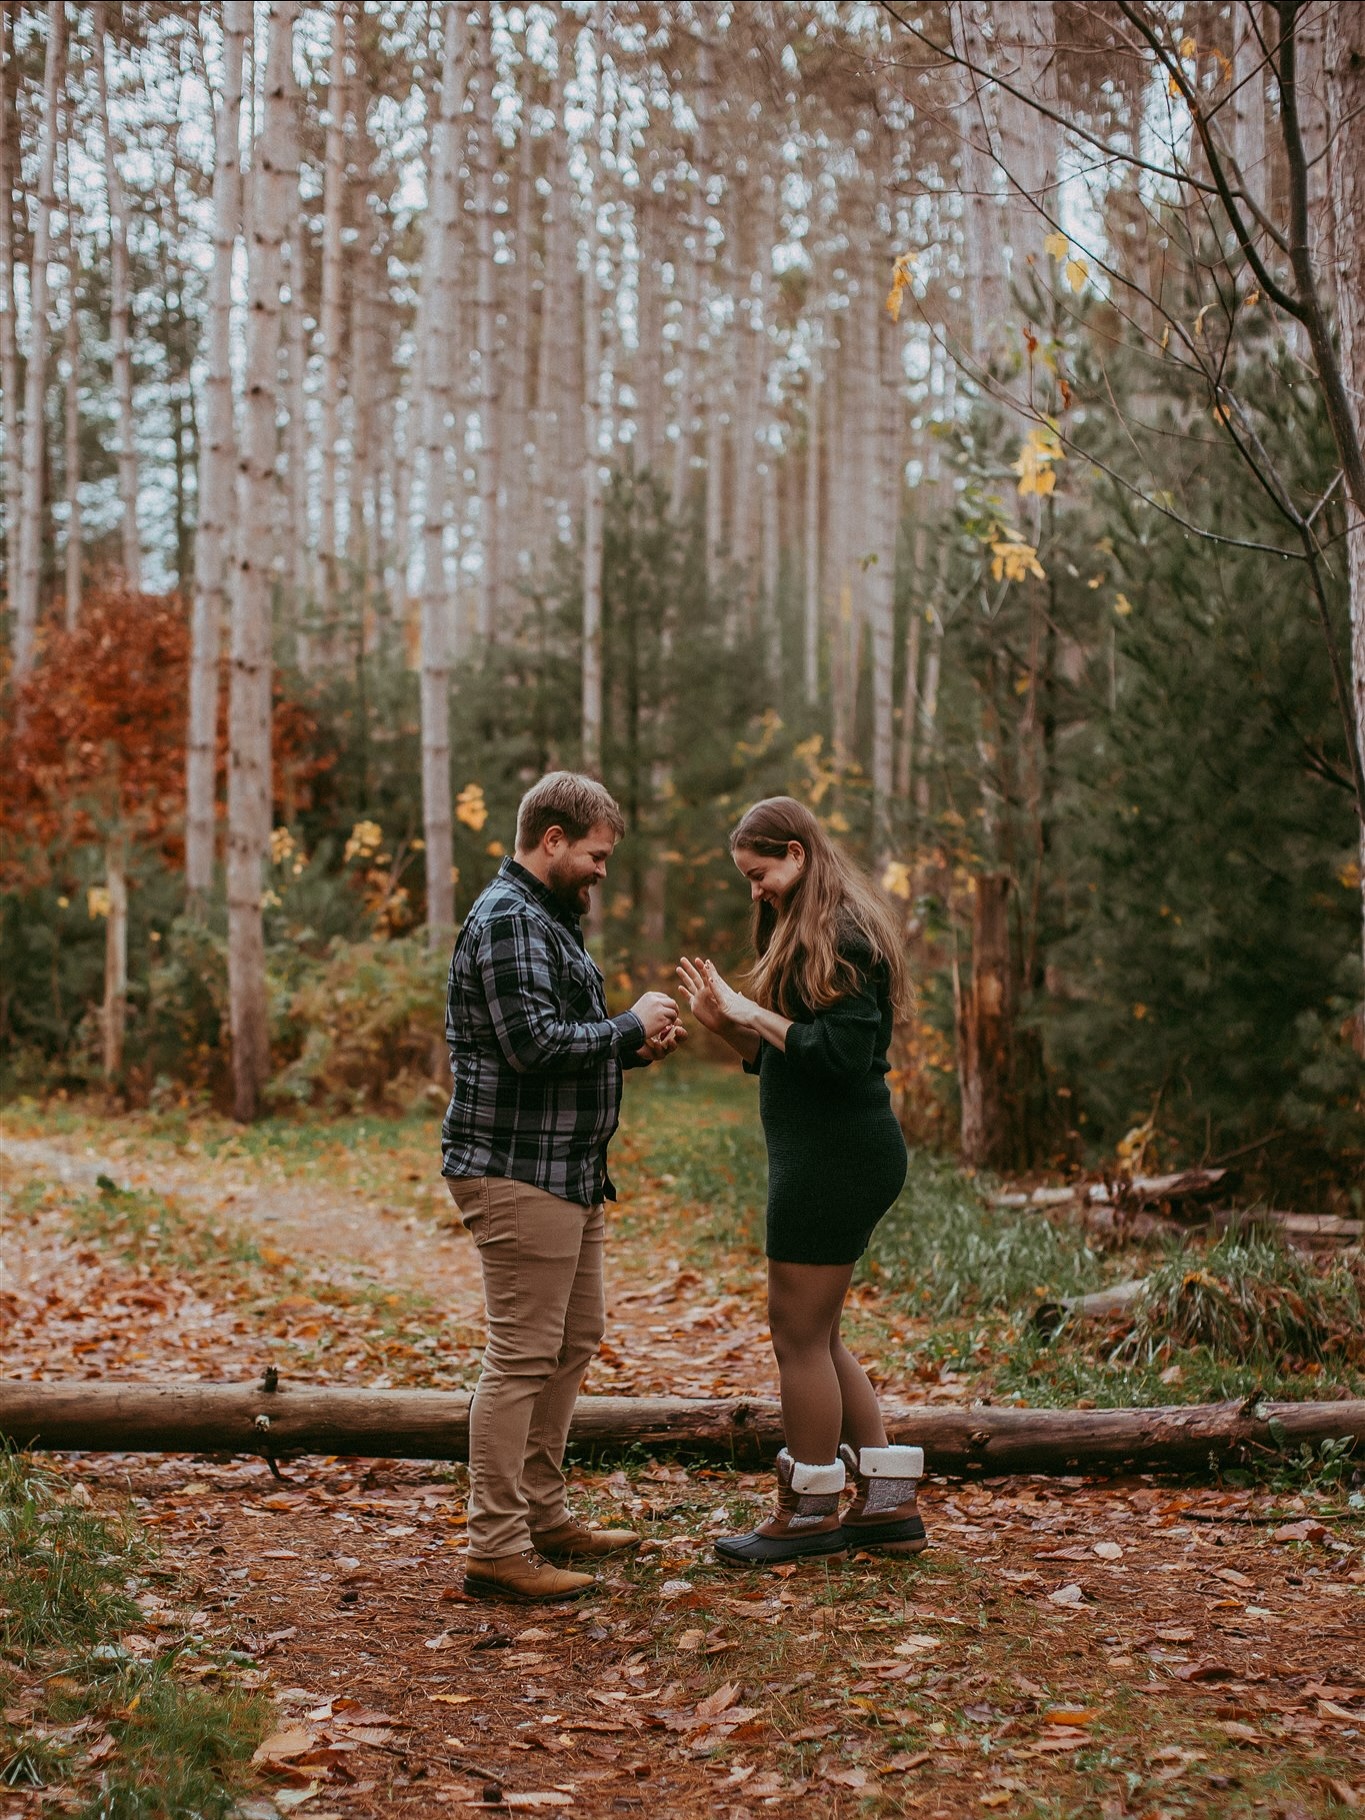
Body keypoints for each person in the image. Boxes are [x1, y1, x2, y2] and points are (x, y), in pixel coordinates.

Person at [443, 771, 684, 1602]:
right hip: (516, 1170)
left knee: (574, 1340)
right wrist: (625, 1024)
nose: (601, 871)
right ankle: (495, 1544)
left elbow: (561, 1038)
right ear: (551, 840)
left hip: (568, 1170)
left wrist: (631, 1047)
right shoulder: (509, 917)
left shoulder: (545, 918)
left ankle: (542, 1515)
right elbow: (532, 1046)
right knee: (520, 1358)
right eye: (595, 855)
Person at [676, 795, 926, 1564]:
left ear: (796, 853)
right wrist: (730, 1028)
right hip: (825, 1151)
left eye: (760, 874)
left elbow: (841, 1060)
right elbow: (798, 1058)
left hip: (834, 1158)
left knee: (796, 1335)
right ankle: (885, 1504)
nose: (755, 890)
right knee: (817, 1335)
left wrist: (750, 1013)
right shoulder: (812, 927)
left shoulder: (844, 932)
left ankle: (810, 1511)